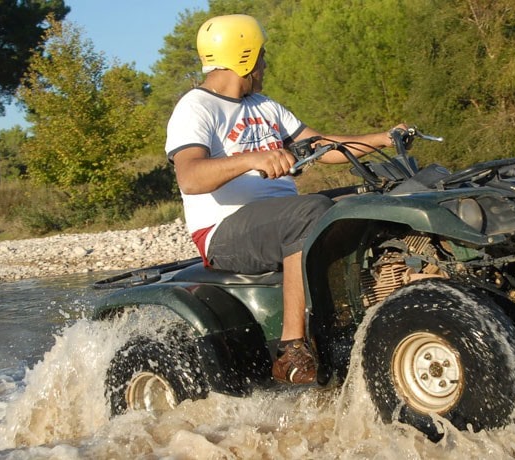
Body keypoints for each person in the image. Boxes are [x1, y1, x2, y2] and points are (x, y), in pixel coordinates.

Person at [165, 14, 403, 385]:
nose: (265, 63)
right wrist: (253, 159)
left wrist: (385, 138)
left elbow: (322, 146)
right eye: (261, 55)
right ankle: (291, 350)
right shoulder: (196, 107)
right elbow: (190, 177)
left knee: (368, 201)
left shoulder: (266, 106)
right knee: (310, 212)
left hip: (280, 217)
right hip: (223, 231)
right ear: (244, 56)